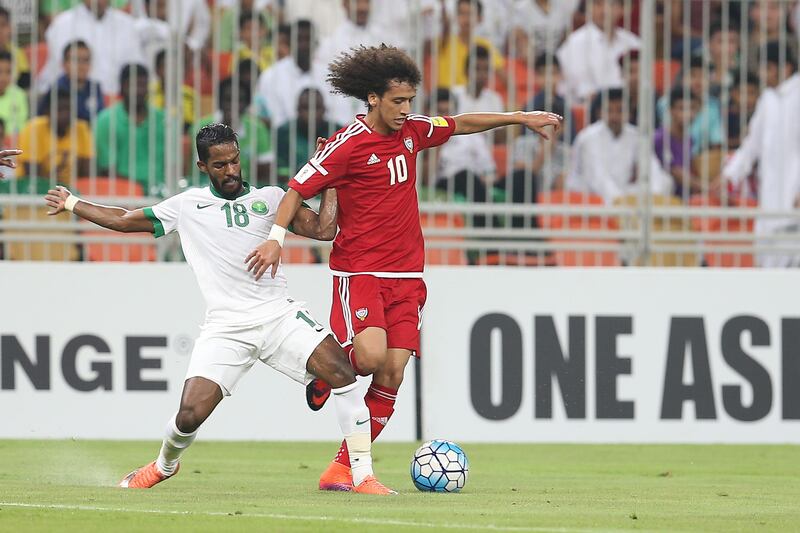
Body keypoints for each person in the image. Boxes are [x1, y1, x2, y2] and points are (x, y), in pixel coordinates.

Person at [243, 44, 561, 491]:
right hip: (362, 272)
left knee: (393, 373)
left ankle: (344, 469)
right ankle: (326, 370)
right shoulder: (347, 144)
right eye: (397, 101)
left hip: (408, 275)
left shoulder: (412, 131)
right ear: (373, 98)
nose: (406, 109)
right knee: (369, 359)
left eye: (410, 100)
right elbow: (296, 188)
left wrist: (520, 117)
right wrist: (275, 240)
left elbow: (462, 124)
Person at [42, 123, 395, 495]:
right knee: (189, 415)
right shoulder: (187, 206)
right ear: (202, 166)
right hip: (226, 327)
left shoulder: (274, 199)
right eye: (220, 165)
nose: (230, 171)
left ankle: (362, 476)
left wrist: (333, 177)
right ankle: (164, 466)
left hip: (278, 315)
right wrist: (71, 203)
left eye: (234, 161)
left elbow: (325, 230)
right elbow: (124, 220)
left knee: (344, 374)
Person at [567, 88, 672, 204]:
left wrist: (654, 196)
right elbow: (598, 178)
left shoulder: (635, 135)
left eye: (620, 110)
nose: (614, 116)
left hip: (622, 191)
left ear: (629, 113)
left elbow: (651, 167)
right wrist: (620, 203)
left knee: (665, 181)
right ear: (600, 113)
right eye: (609, 111)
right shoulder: (588, 137)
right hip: (588, 194)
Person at [40, 0, 144, 96]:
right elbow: (58, 72)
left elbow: (136, 68)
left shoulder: (128, 25)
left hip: (118, 100)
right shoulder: (62, 24)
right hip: (74, 100)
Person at [94, 64, 165, 193]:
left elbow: (172, 165)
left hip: (161, 193)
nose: (137, 90)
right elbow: (107, 169)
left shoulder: (162, 120)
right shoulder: (106, 120)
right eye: (132, 85)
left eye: (142, 85)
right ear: (122, 87)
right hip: (120, 193)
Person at [19, 87, 93, 184]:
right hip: (34, 191)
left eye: (69, 109)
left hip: (69, 193)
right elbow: (32, 174)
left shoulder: (81, 129)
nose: (65, 114)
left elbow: (86, 173)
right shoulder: (33, 129)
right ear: (47, 112)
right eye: (59, 110)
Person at [38, 40, 105, 123]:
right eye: (76, 60)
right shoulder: (57, 90)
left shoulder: (95, 88)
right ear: (64, 64)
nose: (82, 65)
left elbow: (101, 120)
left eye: (86, 60)